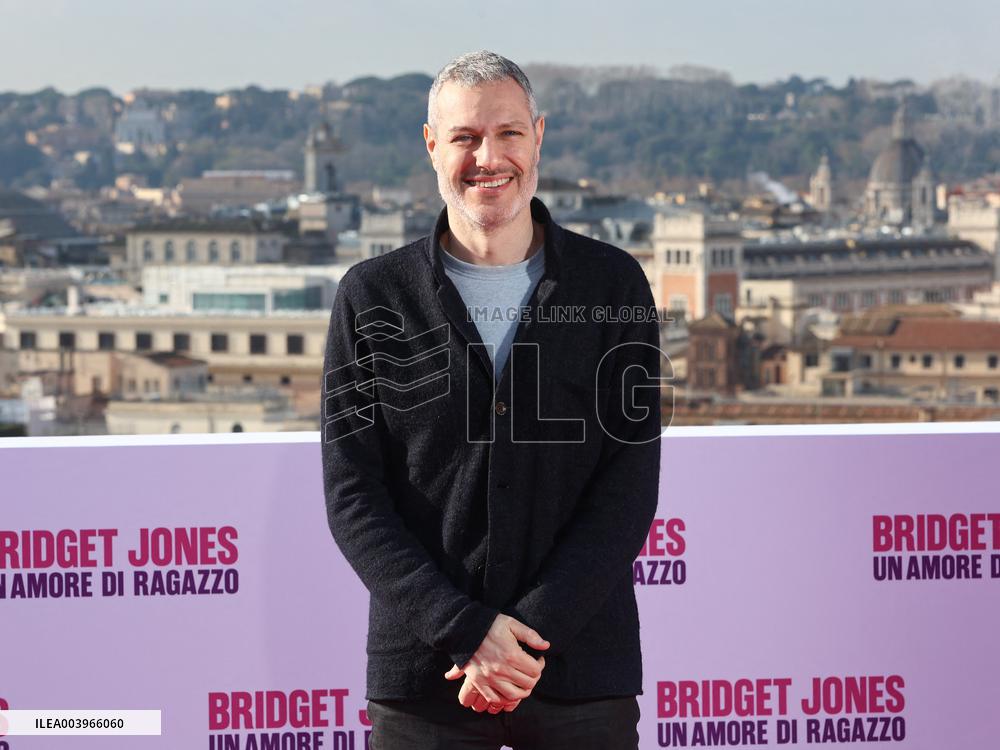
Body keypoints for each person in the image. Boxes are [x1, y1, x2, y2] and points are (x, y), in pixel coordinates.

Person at [321, 50, 663, 749]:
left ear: (538, 136)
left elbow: (627, 486)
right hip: (426, 676)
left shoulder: (612, 285)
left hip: (579, 671)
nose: (488, 157)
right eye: (465, 137)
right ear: (431, 147)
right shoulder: (371, 296)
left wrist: (522, 643)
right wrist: (465, 631)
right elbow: (354, 496)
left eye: (508, 133)